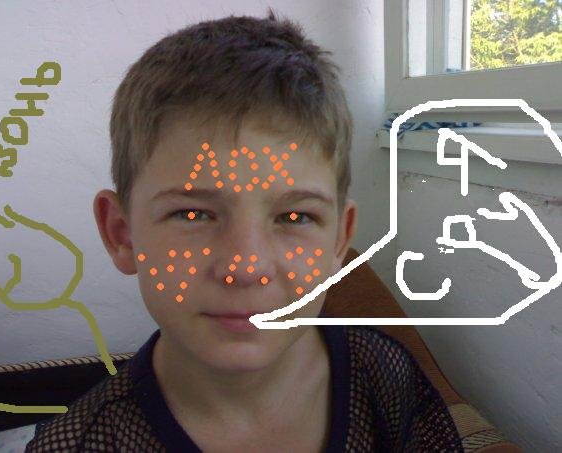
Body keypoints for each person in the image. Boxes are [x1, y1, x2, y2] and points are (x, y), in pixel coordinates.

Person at [26, 8, 463, 452]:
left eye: (295, 217)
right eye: (193, 215)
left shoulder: (385, 376)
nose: (246, 267)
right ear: (122, 234)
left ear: (338, 242)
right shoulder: (80, 445)